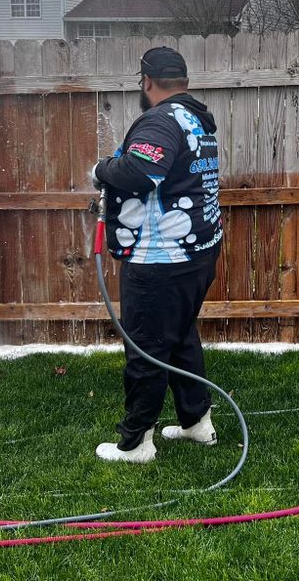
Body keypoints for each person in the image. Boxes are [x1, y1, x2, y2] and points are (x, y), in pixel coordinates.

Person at [91, 46, 224, 464]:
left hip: (160, 259)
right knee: (180, 336)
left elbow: (139, 172)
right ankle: (196, 422)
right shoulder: (195, 119)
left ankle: (136, 443)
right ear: (182, 81)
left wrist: (101, 170)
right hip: (197, 253)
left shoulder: (160, 120)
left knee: (145, 347)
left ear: (147, 82)